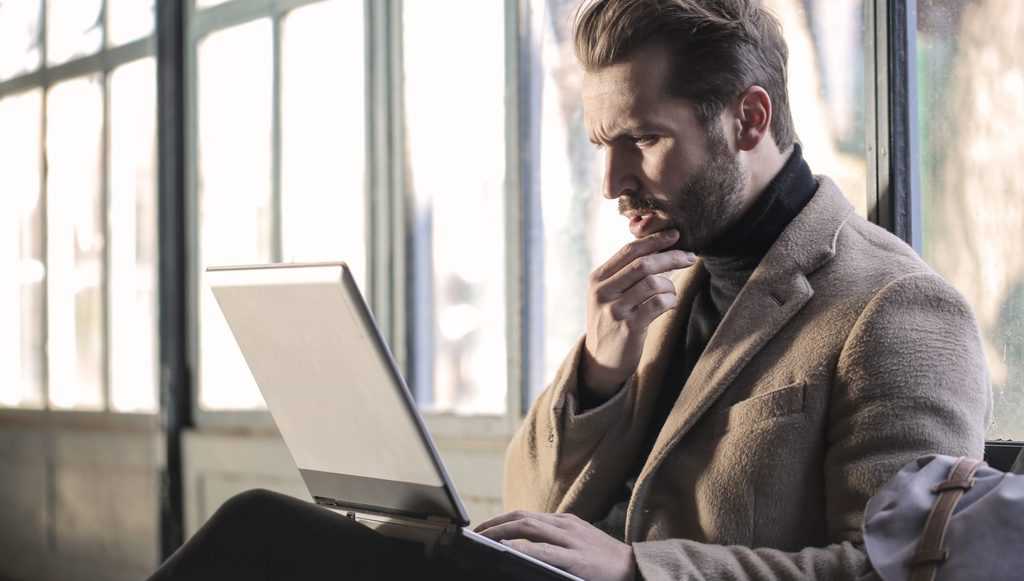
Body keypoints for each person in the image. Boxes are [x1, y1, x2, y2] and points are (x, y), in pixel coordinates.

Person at [148, 1, 990, 580]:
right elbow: (529, 504)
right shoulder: (662, 285)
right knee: (269, 534)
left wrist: (636, 569)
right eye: (601, 143)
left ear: (751, 119)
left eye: (645, 140)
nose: (613, 181)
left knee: (262, 532)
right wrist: (597, 373)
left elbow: (904, 568)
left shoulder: (897, 307)